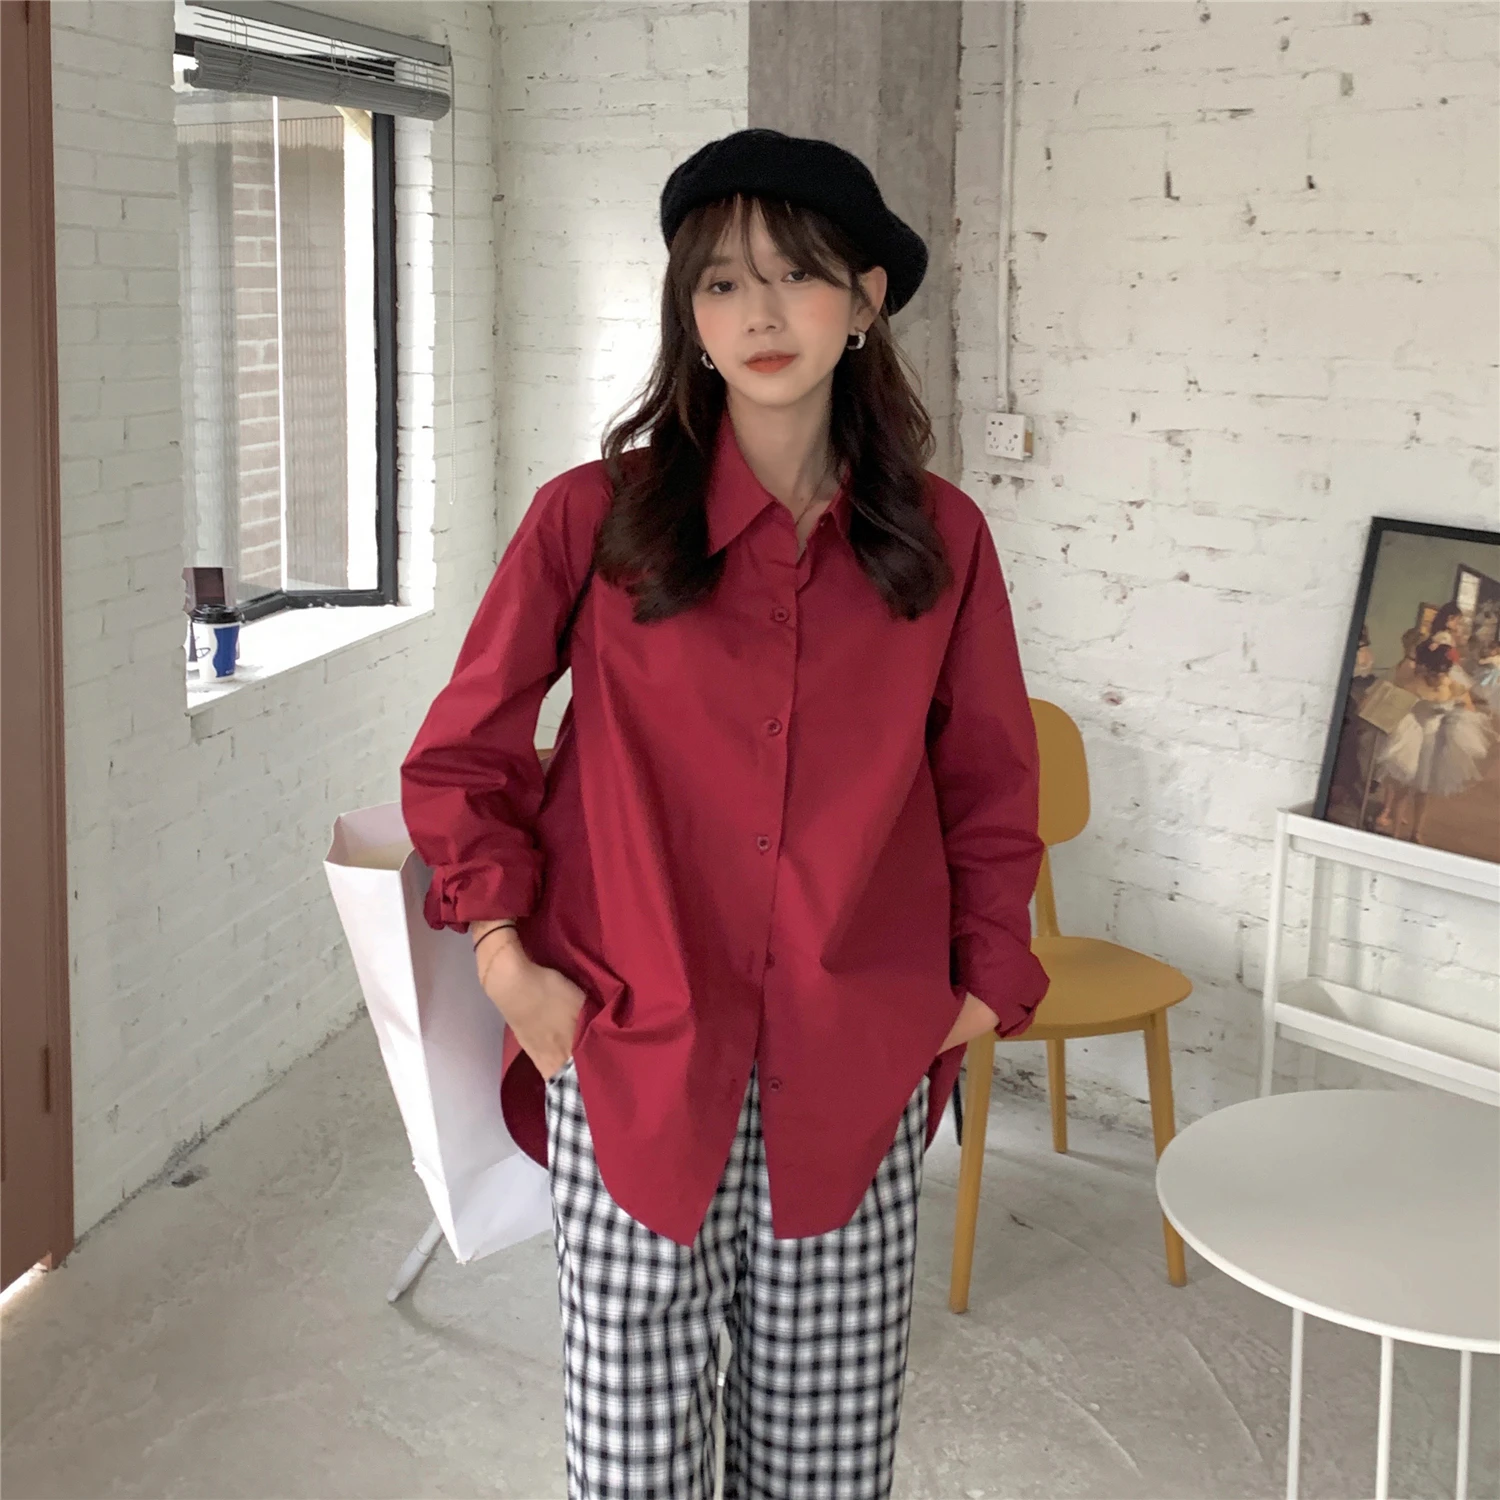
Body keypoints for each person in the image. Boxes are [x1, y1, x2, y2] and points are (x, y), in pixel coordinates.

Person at [400, 127, 1047, 1500]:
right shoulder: (593, 520)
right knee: (633, 1475)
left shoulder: (942, 541)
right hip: (632, 1056)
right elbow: (462, 754)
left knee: (825, 1473)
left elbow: (990, 784)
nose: (760, 313)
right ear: (686, 314)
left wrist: (983, 985)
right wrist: (508, 964)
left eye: (798, 274)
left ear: (865, 300)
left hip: (855, 1069)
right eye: (722, 282)